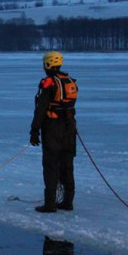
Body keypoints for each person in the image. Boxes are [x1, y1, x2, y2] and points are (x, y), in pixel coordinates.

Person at [30, 51, 78, 213]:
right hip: (70, 129)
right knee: (67, 165)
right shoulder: (68, 80)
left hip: (53, 129)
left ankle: (50, 204)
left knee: (51, 165)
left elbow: (41, 109)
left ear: (48, 64)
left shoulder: (49, 83)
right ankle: (67, 202)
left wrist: (34, 131)